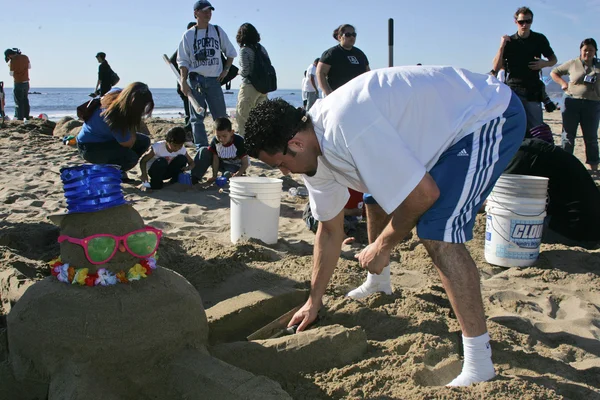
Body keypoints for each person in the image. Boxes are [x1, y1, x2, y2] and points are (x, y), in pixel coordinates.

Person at [244, 66, 526, 386]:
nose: (283, 173)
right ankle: (379, 281)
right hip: (434, 132)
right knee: (373, 195)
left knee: (438, 230)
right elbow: (330, 230)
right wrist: (314, 299)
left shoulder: (346, 126)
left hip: (486, 115)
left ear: (294, 143)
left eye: (280, 164)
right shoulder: (312, 154)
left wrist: (382, 245)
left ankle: (479, 363)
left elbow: (423, 195)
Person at [504, 137, 600, 247]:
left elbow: (501, 199)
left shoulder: (521, 154)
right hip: (591, 227)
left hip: (574, 231)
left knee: (503, 226)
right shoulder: (534, 148)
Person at [177, 0, 237, 148]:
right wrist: (183, 82)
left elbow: (230, 52)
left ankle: (223, 145)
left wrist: (226, 70)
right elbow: (182, 61)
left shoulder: (217, 31)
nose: (207, 14)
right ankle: (202, 148)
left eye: (209, 11)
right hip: (195, 79)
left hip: (213, 80)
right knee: (197, 117)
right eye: (204, 11)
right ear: (195, 13)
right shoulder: (188, 35)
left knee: (221, 117)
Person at [491, 6, 557, 130]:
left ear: (532, 21)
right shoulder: (510, 41)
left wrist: (544, 63)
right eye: (521, 22)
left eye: (528, 21)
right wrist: (501, 46)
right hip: (514, 89)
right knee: (514, 127)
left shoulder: (539, 39)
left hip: (533, 90)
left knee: (536, 128)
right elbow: (495, 67)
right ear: (516, 22)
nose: (525, 25)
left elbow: (554, 60)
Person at [76, 83, 153, 182]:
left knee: (144, 141)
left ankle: (116, 169)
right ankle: (109, 171)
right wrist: (133, 123)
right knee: (130, 157)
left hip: (103, 139)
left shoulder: (116, 93)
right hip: (90, 148)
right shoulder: (115, 116)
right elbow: (127, 143)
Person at [550, 38, 600, 171]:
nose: (587, 53)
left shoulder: (598, 65)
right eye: (585, 50)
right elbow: (554, 72)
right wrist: (563, 84)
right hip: (572, 102)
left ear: (595, 51)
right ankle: (565, 166)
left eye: (591, 50)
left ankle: (593, 167)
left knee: (591, 137)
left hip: (592, 104)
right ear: (580, 51)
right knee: (568, 135)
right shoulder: (573, 63)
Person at [235, 23, 270, 137]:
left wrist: (237, 72)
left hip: (249, 86)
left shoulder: (244, 50)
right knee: (260, 118)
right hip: (263, 87)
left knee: (243, 118)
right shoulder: (261, 48)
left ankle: (245, 144)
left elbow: (245, 71)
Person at [191, 117, 249, 184]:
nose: (221, 139)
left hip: (235, 166)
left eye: (224, 136)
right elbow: (215, 159)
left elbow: (245, 163)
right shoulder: (215, 141)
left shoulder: (239, 141)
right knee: (204, 150)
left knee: (227, 175)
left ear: (231, 132)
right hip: (221, 163)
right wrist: (214, 176)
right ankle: (194, 177)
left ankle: (231, 175)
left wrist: (238, 174)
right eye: (218, 136)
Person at [317, 24, 369, 97]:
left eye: (354, 35)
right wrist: (328, 93)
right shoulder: (331, 53)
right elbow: (320, 73)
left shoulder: (360, 54)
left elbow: (368, 73)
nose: (352, 37)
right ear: (339, 37)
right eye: (348, 35)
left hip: (358, 96)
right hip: (338, 96)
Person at [170, 22, 198, 131]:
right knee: (190, 110)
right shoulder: (186, 45)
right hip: (186, 84)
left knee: (191, 110)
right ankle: (189, 130)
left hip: (186, 83)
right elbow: (173, 61)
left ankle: (190, 130)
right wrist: (184, 77)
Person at [4, 48, 31, 121]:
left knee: (18, 101)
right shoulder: (25, 57)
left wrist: (10, 66)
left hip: (18, 82)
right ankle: (27, 116)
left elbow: (11, 74)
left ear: (9, 55)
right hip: (26, 82)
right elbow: (29, 67)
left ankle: (20, 118)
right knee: (25, 100)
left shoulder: (13, 61)